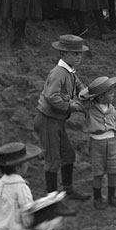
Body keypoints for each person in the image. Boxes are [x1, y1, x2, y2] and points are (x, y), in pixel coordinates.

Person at [34, 35, 90, 206]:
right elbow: (52, 97)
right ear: (63, 53)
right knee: (52, 160)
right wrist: (72, 106)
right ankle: (52, 203)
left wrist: (90, 94)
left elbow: (79, 85)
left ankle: (68, 190)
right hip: (47, 120)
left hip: (56, 120)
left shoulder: (70, 70)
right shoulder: (59, 73)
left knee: (68, 155)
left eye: (80, 53)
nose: (79, 57)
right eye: (75, 54)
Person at [80, 76, 116, 209]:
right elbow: (81, 100)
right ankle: (97, 198)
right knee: (98, 172)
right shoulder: (90, 108)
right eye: (110, 93)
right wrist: (89, 95)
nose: (113, 95)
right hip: (96, 143)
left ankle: (112, 196)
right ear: (100, 97)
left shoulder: (112, 108)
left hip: (111, 142)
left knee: (112, 170)